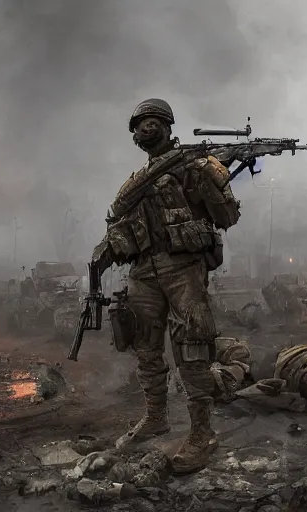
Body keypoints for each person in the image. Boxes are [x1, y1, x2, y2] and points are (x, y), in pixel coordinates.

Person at [90, 98, 241, 474]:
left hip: (181, 267)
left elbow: (226, 215)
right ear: (135, 136)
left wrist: (210, 177)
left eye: (154, 121)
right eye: (140, 123)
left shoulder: (193, 166)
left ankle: (202, 433)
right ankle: (155, 417)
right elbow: (121, 229)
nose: (146, 127)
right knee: (144, 345)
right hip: (144, 271)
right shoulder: (135, 184)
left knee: (191, 345)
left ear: (169, 126)